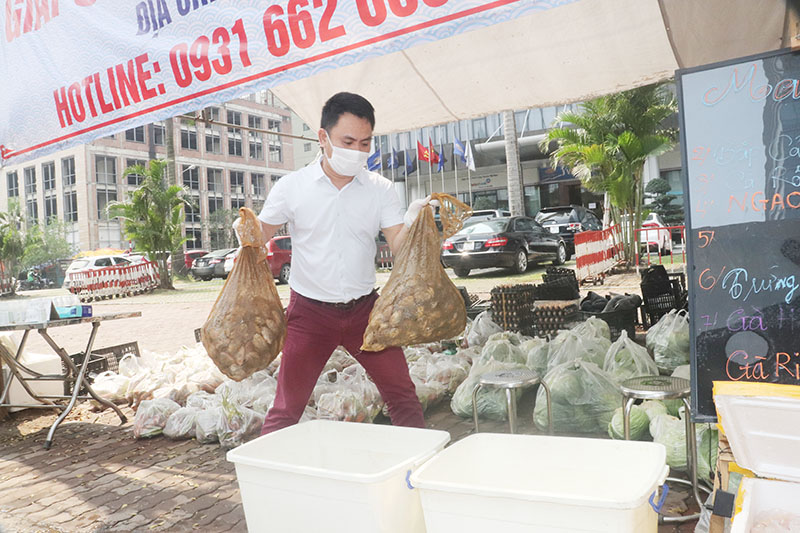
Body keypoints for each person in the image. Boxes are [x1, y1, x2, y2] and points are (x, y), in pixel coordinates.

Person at [250, 92, 434, 435]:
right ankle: (267, 480)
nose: (357, 151)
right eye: (347, 141)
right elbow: (259, 234)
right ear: (323, 137)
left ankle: (417, 471)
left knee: (403, 395)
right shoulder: (293, 187)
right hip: (309, 313)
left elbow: (398, 245)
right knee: (287, 407)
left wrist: (412, 224)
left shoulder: (380, 188)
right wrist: (246, 231)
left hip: (366, 312)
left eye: (365, 143)